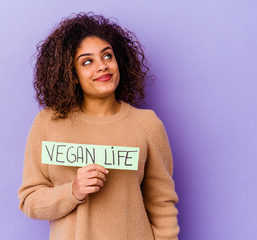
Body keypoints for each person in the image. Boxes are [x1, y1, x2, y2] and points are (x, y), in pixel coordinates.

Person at [17, 12, 180, 240]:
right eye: (87, 61)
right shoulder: (48, 123)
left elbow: (162, 205)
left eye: (107, 56)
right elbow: (30, 201)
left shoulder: (147, 124)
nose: (102, 66)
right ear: (72, 74)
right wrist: (73, 191)